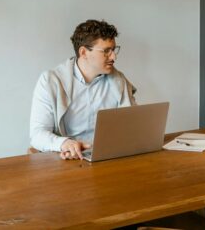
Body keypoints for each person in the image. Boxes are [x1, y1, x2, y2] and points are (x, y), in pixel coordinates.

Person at [29, 19, 137, 160]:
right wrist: (64, 143)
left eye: (114, 49)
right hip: (67, 160)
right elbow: (37, 134)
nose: (113, 56)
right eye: (106, 51)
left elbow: (133, 124)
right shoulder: (50, 81)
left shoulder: (119, 80)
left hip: (108, 158)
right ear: (84, 52)